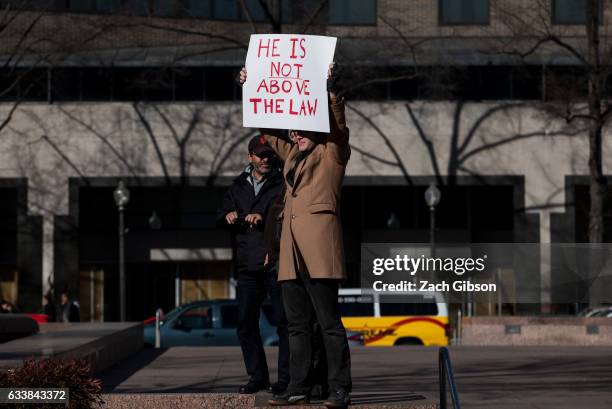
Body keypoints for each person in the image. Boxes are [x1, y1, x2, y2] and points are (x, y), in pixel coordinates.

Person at [239, 64, 352, 408]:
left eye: (302, 128)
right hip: (291, 254)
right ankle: (298, 386)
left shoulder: (332, 152)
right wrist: (251, 89)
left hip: (318, 250)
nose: (295, 133)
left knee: (328, 323)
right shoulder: (292, 154)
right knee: (296, 325)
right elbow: (268, 130)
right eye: (293, 130)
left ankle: (339, 389)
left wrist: (330, 88)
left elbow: (337, 127)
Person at [217, 135, 289, 395]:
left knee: (284, 322)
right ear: (250, 157)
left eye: (270, 154)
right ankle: (257, 377)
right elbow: (218, 215)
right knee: (246, 324)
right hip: (247, 265)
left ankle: (285, 380)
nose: (266, 159)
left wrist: (266, 218)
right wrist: (228, 215)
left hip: (275, 261)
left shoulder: (283, 182)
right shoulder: (237, 186)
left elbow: (287, 216)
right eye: (261, 155)